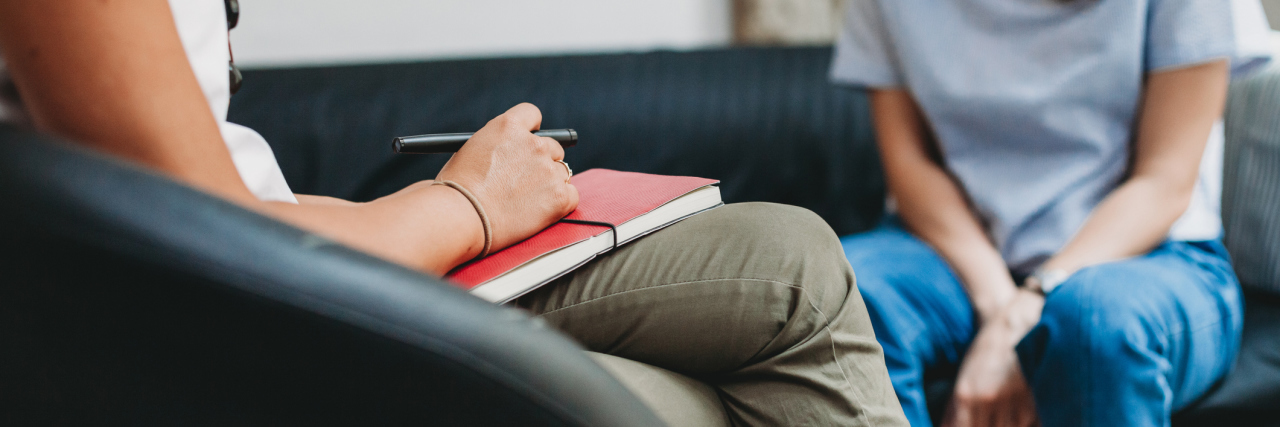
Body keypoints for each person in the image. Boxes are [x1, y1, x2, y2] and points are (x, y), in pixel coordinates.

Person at [0, 0, 910, 425]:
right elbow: (195, 236)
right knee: (680, 410)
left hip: (263, 262)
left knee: (788, 256)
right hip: (215, 322)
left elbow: (215, 181)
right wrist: (464, 205)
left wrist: (424, 211)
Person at [831, 0, 1274, 426]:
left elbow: (1164, 181)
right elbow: (911, 168)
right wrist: (1002, 308)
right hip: (951, 254)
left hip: (1147, 256)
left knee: (1094, 323)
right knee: (836, 297)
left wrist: (1035, 300)